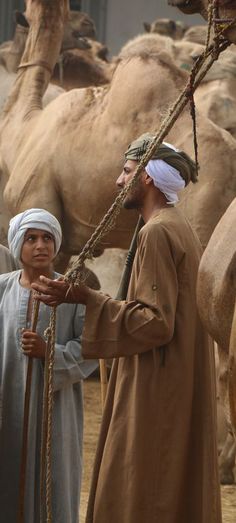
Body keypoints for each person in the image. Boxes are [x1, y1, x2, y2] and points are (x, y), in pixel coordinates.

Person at [32, 135, 222, 523]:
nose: (119, 182)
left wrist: (85, 298)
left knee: (144, 478)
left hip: (156, 382)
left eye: (127, 171)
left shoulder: (157, 232)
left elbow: (155, 322)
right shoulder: (176, 226)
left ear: (149, 178)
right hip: (172, 376)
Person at [0, 208, 98, 523]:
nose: (40, 245)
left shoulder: (72, 293)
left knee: (53, 483)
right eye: (31, 238)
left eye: (46, 238)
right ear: (17, 245)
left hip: (57, 412)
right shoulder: (2, 288)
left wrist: (49, 352)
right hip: (8, 410)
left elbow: (90, 349)